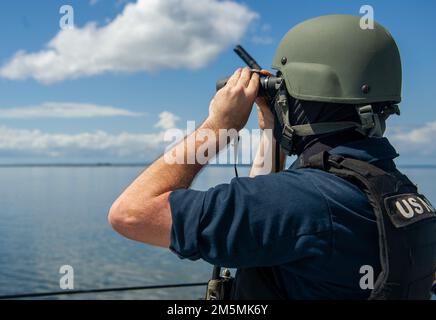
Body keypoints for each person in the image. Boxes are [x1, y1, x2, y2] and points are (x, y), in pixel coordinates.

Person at [108, 15, 436, 299]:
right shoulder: (397, 192)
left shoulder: (308, 201)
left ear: (295, 96)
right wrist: (271, 128)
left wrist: (219, 127)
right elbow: (265, 221)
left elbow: (131, 214)